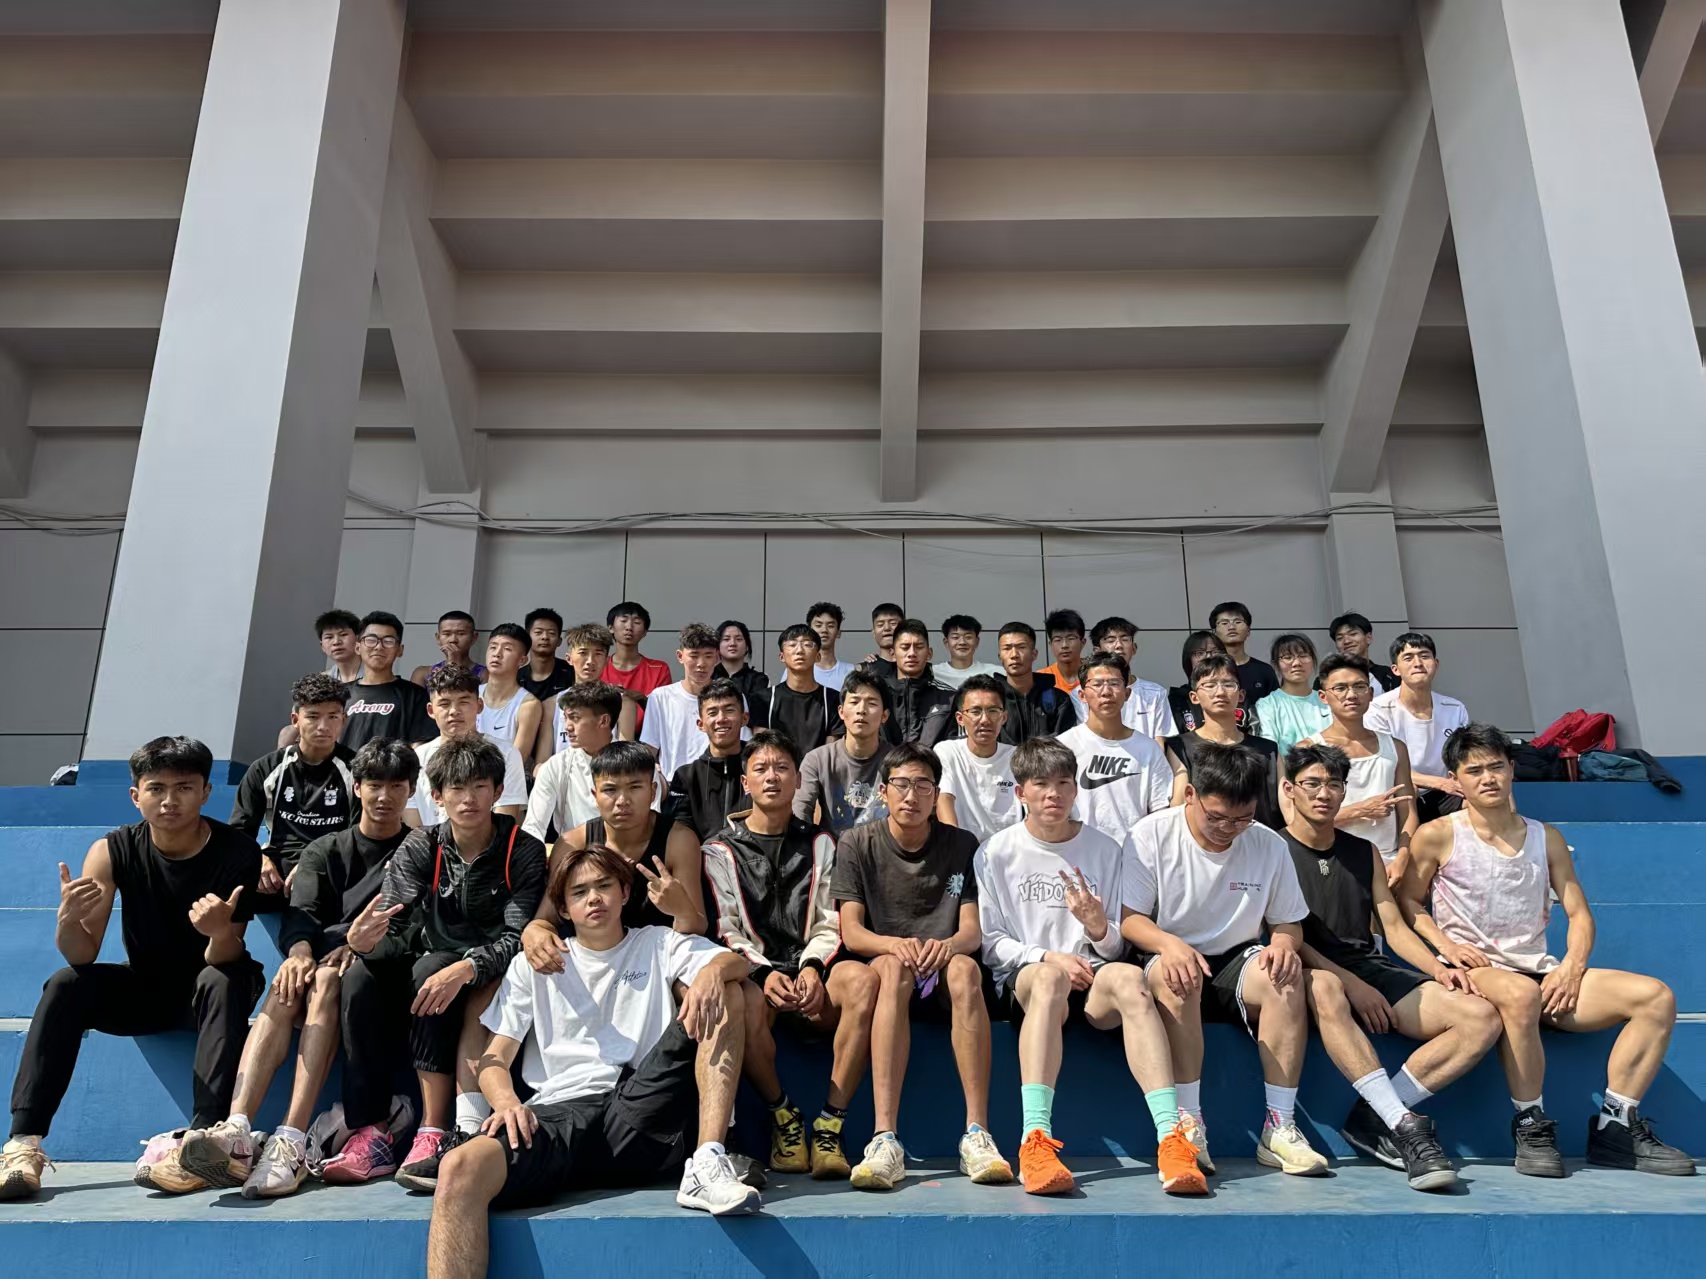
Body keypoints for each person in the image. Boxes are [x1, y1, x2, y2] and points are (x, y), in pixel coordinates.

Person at [425, 849, 759, 1279]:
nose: (594, 898)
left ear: (625, 893)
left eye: (604, 886)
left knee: (727, 989)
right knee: (459, 1168)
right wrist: (506, 1103)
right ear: (563, 909)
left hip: (641, 1106)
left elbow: (738, 962)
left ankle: (707, 1160)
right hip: (558, 1113)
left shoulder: (656, 942)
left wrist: (713, 971)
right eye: (580, 892)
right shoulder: (534, 964)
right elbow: (493, 1058)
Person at [1399, 724, 1695, 1179]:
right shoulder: (1437, 835)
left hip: (1541, 972)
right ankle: (1530, 1124)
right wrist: (1447, 945)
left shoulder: (1546, 837)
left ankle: (1616, 1127)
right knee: (1520, 995)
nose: (1488, 778)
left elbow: (1579, 914)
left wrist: (1573, 967)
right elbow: (1408, 903)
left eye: (1496, 766)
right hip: (1479, 972)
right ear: (1456, 779)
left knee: (1655, 997)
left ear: (1511, 769)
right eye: (1474, 771)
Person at [1, 737, 264, 1201]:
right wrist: (67, 922)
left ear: (206, 792)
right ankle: (23, 1143)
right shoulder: (112, 850)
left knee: (220, 978)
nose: (169, 801)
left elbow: (226, 954)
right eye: (156, 788)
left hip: (216, 984)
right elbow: (81, 955)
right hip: (148, 987)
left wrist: (220, 931)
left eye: (184, 788)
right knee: (65, 984)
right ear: (135, 795)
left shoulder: (238, 851)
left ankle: (204, 1141)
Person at [168, 739, 423, 1198]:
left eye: (396, 787)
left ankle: (290, 1140)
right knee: (292, 979)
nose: (384, 797)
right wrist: (301, 951)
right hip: (323, 961)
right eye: (374, 785)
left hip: (382, 973)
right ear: (357, 788)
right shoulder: (325, 849)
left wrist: (355, 948)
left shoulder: (418, 850)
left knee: (322, 980)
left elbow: (409, 923)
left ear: (411, 791)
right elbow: (302, 913)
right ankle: (237, 1127)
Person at [976, 738, 1206, 1197]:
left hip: (1094, 980)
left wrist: (1099, 927)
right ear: (1020, 792)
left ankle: (1171, 1138)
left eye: (1064, 783)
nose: (1053, 795)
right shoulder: (995, 852)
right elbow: (991, 944)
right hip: (1034, 981)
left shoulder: (1105, 848)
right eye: (1041, 785)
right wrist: (1048, 957)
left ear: (1076, 788)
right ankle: (1035, 1141)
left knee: (1130, 978)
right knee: (1049, 979)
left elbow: (1117, 945)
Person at [1282, 742, 1498, 1191]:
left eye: (1334, 784)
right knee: (1325, 986)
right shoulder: (1271, 848)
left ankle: (1377, 1115)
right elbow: (1284, 938)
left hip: (1367, 963)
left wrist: (1438, 968)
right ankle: (1403, 1125)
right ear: (1289, 790)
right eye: (1312, 784)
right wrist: (1351, 985)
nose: (1324, 794)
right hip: (1304, 969)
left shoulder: (1364, 852)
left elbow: (1394, 928)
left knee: (1480, 1017)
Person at [343, 736, 548, 1189]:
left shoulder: (524, 850)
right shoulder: (423, 844)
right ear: (437, 796)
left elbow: (518, 936)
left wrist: (469, 966)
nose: (468, 798)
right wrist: (362, 943)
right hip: (434, 958)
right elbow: (393, 925)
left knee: (433, 972)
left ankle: (434, 1128)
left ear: (498, 792)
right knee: (360, 978)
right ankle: (377, 1130)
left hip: (499, 966)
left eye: (479, 787)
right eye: (456, 788)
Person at [1121, 742, 1329, 1178]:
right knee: (1179, 977)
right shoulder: (1150, 834)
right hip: (1169, 949)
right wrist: (1169, 945)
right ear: (1191, 795)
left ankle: (1280, 1126)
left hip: (1238, 957)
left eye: (1241, 819)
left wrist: (1283, 945)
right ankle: (1189, 1123)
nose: (1228, 829)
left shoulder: (1268, 844)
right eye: (1216, 817)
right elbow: (1131, 921)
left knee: (1285, 977)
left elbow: (1288, 923)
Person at [831, 743, 1010, 1190]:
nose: (911, 796)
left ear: (936, 794)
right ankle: (884, 1139)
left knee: (967, 970)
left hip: (942, 967)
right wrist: (896, 946)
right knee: (893, 970)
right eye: (902, 785)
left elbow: (971, 932)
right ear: (884, 791)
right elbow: (853, 933)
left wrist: (945, 947)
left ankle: (977, 1134)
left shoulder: (961, 844)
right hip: (889, 967)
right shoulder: (856, 842)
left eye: (923, 786)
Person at [703, 731, 876, 1181]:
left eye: (782, 768)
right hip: (759, 975)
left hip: (813, 971)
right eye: (761, 769)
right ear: (745, 782)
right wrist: (763, 975)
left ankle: (830, 1126)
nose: (772, 777)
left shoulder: (822, 843)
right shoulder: (720, 849)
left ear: (798, 779)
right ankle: (784, 1117)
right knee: (742, 1001)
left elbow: (829, 920)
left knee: (863, 981)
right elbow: (726, 929)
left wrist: (813, 967)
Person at [525, 741, 708, 947]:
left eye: (635, 787)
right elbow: (546, 918)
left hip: (661, 955)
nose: (622, 801)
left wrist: (682, 911)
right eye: (610, 789)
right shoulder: (574, 844)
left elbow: (698, 928)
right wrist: (535, 931)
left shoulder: (679, 840)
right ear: (595, 795)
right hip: (595, 957)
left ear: (653, 791)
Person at [231, 673, 355, 904]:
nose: (323, 726)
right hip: (277, 866)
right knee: (228, 879)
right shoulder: (266, 768)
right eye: (313, 716)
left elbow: (360, 835)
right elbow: (239, 832)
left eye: (332, 717)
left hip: (332, 864)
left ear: (343, 720)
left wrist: (315, 863)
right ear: (295, 719)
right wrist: (258, 860)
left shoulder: (356, 770)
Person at [1303, 654, 1417, 886]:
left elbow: (1408, 811)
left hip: (1388, 862)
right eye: (1340, 688)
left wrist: (1403, 856)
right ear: (1323, 697)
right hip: (1333, 861)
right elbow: (1303, 821)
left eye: (1359, 686)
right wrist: (1361, 810)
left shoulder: (1395, 747)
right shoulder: (1309, 749)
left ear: (1371, 693)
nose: (1351, 695)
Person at [525, 683, 663, 845]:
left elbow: (652, 823)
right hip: (574, 854)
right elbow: (533, 827)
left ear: (603, 720)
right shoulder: (555, 766)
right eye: (566, 718)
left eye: (575, 718)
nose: (567, 727)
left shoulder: (640, 764)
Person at [1058, 653, 1172, 844]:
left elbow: (1160, 812)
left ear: (1127, 694)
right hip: (1080, 851)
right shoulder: (1064, 747)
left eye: (1114, 683)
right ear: (1082, 695)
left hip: (1135, 852)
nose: (1106, 692)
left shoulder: (1149, 749)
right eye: (1097, 684)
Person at [1162, 653, 1282, 831]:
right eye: (1210, 685)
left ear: (1241, 695)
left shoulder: (1268, 750)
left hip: (1261, 841)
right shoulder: (1180, 748)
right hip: (1204, 841)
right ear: (1194, 697)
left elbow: (1287, 805)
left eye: (1228, 684)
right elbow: (1179, 808)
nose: (1220, 692)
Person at [1365, 632, 1471, 822]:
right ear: (1395, 669)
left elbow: (1465, 757)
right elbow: (1387, 766)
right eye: (1408, 658)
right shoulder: (1378, 710)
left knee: (1484, 794)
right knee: (1408, 789)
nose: (1418, 663)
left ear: (1436, 664)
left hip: (1445, 791)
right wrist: (1440, 783)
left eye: (1424, 656)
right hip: (1399, 790)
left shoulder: (1455, 708)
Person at [406, 665, 528, 828]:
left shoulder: (506, 754)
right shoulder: (417, 758)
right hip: (427, 843)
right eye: (444, 704)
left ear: (479, 705)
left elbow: (504, 820)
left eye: (463, 702)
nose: (454, 711)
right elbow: (413, 827)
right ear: (430, 710)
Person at [641, 623, 751, 779]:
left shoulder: (732, 696)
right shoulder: (660, 697)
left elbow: (743, 744)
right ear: (680, 656)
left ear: (717, 657)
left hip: (723, 780)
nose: (701, 664)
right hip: (674, 784)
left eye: (708, 656)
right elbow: (650, 748)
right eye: (694, 656)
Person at [795, 669, 893, 838]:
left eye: (871, 703)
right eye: (854, 702)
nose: (861, 710)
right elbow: (800, 812)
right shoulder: (818, 759)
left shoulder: (898, 761)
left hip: (883, 850)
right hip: (832, 851)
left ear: (884, 715)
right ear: (841, 712)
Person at [934, 675, 1019, 844]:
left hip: (1010, 849)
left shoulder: (1017, 757)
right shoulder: (948, 751)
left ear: (1004, 717)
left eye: (993, 711)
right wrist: (955, 846)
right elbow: (944, 798)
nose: (985, 720)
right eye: (975, 711)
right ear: (960, 719)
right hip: (963, 847)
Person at [665, 679, 752, 842]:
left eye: (729, 710)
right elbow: (679, 830)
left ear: (744, 718)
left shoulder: (760, 770)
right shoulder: (686, 777)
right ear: (701, 724)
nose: (721, 719)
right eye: (712, 713)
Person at [1070, 616, 1176, 738]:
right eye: (1110, 640)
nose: (1119, 645)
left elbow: (1160, 741)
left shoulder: (1155, 692)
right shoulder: (1083, 692)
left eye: (1125, 639)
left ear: (1134, 648)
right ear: (1097, 651)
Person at [342, 611, 434, 750]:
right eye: (371, 640)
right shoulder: (340, 694)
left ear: (400, 650)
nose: (379, 647)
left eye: (388, 641)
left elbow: (420, 748)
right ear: (358, 647)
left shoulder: (416, 696)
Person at [545, 623, 637, 759]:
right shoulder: (551, 705)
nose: (590, 661)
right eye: (583, 653)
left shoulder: (624, 703)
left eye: (598, 654)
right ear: (569, 658)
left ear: (606, 660)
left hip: (607, 770)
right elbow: (542, 760)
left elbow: (625, 756)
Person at [993, 621, 1076, 743]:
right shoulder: (992, 701)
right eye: (1007, 648)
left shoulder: (1059, 700)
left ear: (1034, 654)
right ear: (1000, 656)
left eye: (1021, 647)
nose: (1014, 655)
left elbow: (1066, 744)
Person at [880, 619, 955, 747]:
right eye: (905, 647)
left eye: (919, 647)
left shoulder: (949, 698)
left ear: (929, 653)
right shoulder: (878, 695)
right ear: (892, 653)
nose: (912, 653)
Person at [1254, 633, 1332, 755]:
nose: (1297, 663)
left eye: (1303, 656)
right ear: (1276, 664)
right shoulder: (1267, 705)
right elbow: (1271, 750)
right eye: (1288, 657)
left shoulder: (1328, 701)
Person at [768, 624, 841, 755]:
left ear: (818, 656)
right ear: (781, 656)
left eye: (807, 645)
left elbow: (830, 752)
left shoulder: (833, 699)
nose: (799, 650)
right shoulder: (766, 699)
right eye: (792, 645)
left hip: (819, 767)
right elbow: (763, 748)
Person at [1167, 630, 1257, 736]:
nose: (1208, 657)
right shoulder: (1177, 700)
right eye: (1200, 653)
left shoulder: (1234, 694)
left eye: (1215, 652)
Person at [602, 601, 673, 732]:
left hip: (646, 739)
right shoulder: (599, 666)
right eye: (623, 620)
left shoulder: (659, 669)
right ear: (611, 627)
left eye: (637, 622)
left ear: (645, 631)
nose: (629, 627)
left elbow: (665, 714)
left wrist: (641, 698)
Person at [476, 623, 542, 759]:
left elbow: (517, 760)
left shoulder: (528, 705)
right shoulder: (470, 695)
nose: (497, 654)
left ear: (522, 660)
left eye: (507, 649)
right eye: (493, 647)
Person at [1209, 601, 1278, 710]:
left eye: (1237, 622)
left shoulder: (1264, 670)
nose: (1231, 627)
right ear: (1214, 632)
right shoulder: (1208, 670)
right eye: (1224, 623)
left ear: (1248, 630)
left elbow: (1275, 707)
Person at [409, 610, 486, 685]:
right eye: (447, 634)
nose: (453, 640)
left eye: (461, 634)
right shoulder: (423, 674)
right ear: (438, 638)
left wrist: (455, 666)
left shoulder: (484, 674)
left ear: (474, 638)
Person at [714, 619, 773, 713]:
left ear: (747, 646)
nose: (732, 643)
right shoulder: (708, 677)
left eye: (739, 639)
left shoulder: (759, 680)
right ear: (717, 646)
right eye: (726, 639)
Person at [1330, 612, 1398, 693]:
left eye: (1353, 634)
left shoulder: (1390, 675)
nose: (1347, 641)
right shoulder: (1328, 678)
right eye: (1340, 638)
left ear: (1369, 638)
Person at [518, 608, 574, 702]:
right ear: (527, 638)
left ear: (559, 641)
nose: (545, 637)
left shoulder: (572, 673)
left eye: (551, 633)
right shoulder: (517, 678)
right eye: (538, 632)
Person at [936, 614, 1002, 690]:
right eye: (955, 637)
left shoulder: (995, 673)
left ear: (977, 641)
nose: (962, 642)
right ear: (946, 642)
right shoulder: (933, 674)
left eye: (968, 637)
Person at [808, 601, 857, 691]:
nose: (824, 630)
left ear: (838, 633)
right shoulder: (797, 671)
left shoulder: (851, 671)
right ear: (809, 632)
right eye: (818, 625)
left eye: (830, 626)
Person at [1039, 608, 1087, 694]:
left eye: (1071, 638)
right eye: (1058, 640)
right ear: (1050, 644)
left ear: (1082, 642)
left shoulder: (1096, 675)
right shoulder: (1041, 679)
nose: (1064, 645)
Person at [317, 608, 365, 683]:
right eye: (329, 637)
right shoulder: (321, 682)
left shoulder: (378, 676)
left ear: (358, 639)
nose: (336, 642)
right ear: (322, 646)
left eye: (343, 634)